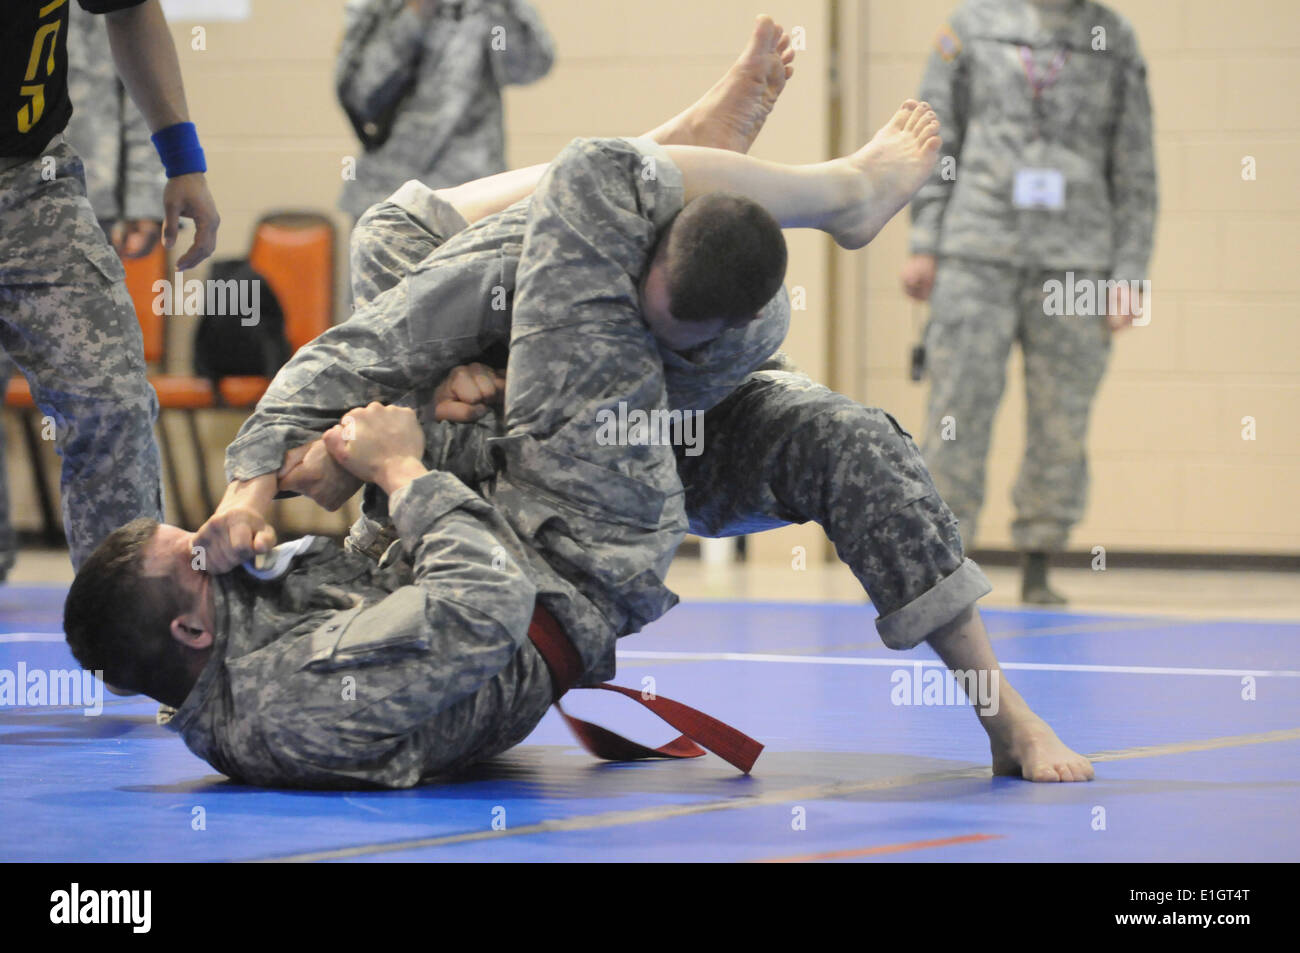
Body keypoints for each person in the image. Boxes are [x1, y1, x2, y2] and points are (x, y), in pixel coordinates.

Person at [900, 0, 1157, 604]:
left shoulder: (1112, 38)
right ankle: (941, 563)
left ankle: (1039, 560)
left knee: (1061, 419)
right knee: (955, 409)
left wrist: (1130, 273)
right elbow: (937, 138)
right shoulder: (969, 27)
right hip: (976, 246)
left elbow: (1135, 165)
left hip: (1078, 258)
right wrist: (925, 238)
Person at [0, 0, 220, 575]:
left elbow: (130, 10)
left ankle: (131, 637)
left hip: (33, 186)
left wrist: (183, 161)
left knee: (113, 407)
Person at [336, 0, 554, 220]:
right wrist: (415, 12)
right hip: (388, 191)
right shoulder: (376, 6)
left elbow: (528, 68)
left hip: (475, 192)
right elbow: (361, 93)